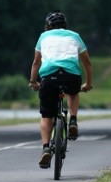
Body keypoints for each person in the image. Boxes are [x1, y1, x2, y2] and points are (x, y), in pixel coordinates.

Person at [29, 11, 93, 169]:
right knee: (73, 91)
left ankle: (45, 148)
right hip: (71, 75)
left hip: (49, 77)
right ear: (65, 25)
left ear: (48, 26)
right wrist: (88, 83)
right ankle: (73, 120)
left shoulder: (43, 37)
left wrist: (33, 81)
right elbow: (87, 62)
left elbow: (36, 62)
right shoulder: (75, 36)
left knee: (46, 116)